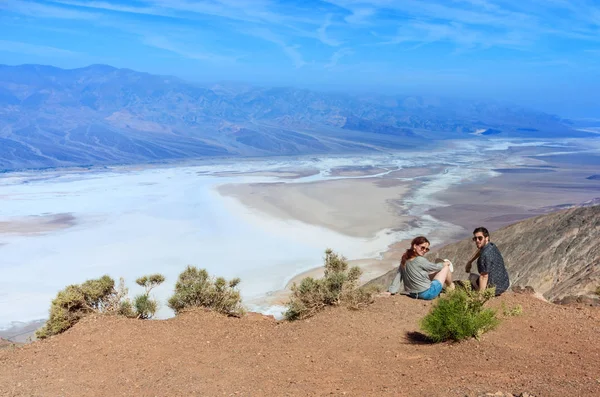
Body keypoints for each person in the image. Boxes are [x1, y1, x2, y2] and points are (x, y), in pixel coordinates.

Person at [399, 236, 454, 300]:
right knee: (446, 268)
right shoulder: (419, 260)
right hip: (427, 294)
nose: (424, 250)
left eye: (426, 249)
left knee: (433, 273)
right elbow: (435, 267)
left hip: (412, 294)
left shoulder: (404, 260)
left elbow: (398, 276)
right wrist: (444, 263)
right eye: (422, 248)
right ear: (414, 246)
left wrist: (391, 291)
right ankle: (451, 288)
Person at [465, 227, 510, 296]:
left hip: (493, 289)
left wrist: (480, 296)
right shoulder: (491, 246)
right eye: (475, 238)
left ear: (486, 238)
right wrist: (470, 261)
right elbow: (480, 250)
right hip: (504, 283)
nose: (477, 240)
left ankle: (481, 293)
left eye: (480, 238)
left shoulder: (484, 256)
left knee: (471, 277)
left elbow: (484, 277)